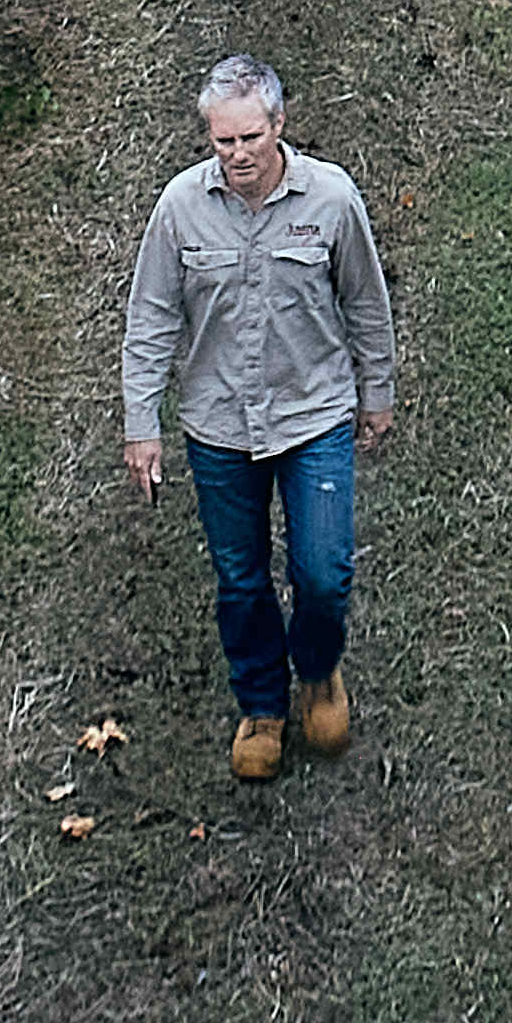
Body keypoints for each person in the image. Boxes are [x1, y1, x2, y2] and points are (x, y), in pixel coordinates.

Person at [120, 51, 397, 783]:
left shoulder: (331, 199)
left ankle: (319, 674)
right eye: (223, 140)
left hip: (314, 415)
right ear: (208, 137)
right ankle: (262, 707)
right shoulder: (179, 207)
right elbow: (150, 319)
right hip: (218, 426)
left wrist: (378, 392)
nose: (238, 154)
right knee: (240, 578)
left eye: (251, 137)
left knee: (323, 571)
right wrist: (140, 423)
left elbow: (366, 302)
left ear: (279, 124)